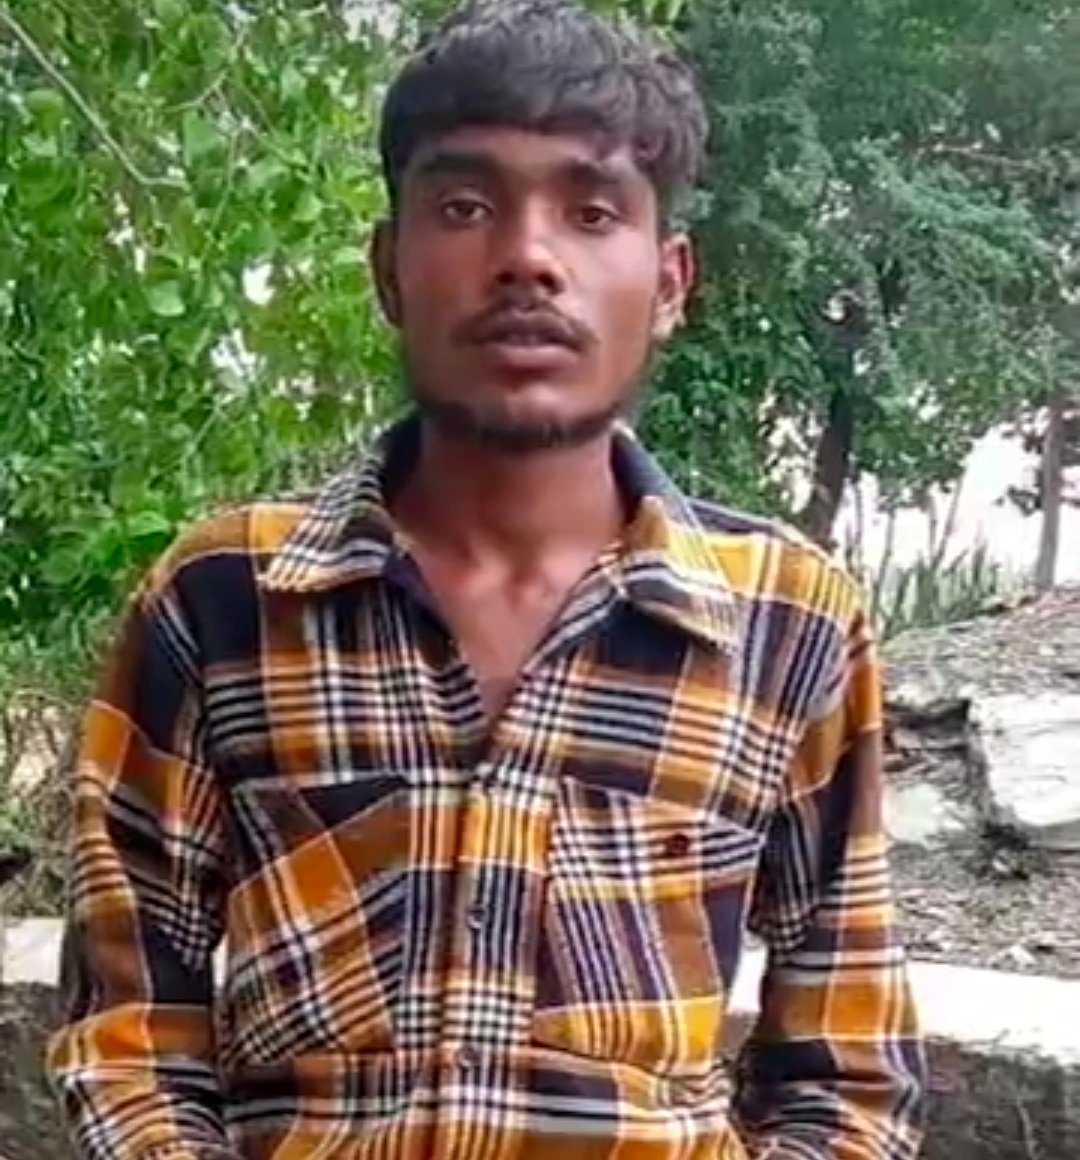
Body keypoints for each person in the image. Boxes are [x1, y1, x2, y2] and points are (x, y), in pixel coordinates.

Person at [47, 2, 926, 1157]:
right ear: (388, 268)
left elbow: (846, 1075)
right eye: (464, 206)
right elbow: (128, 1035)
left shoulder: (788, 622)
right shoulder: (225, 600)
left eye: (592, 210)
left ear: (669, 281)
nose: (527, 256)